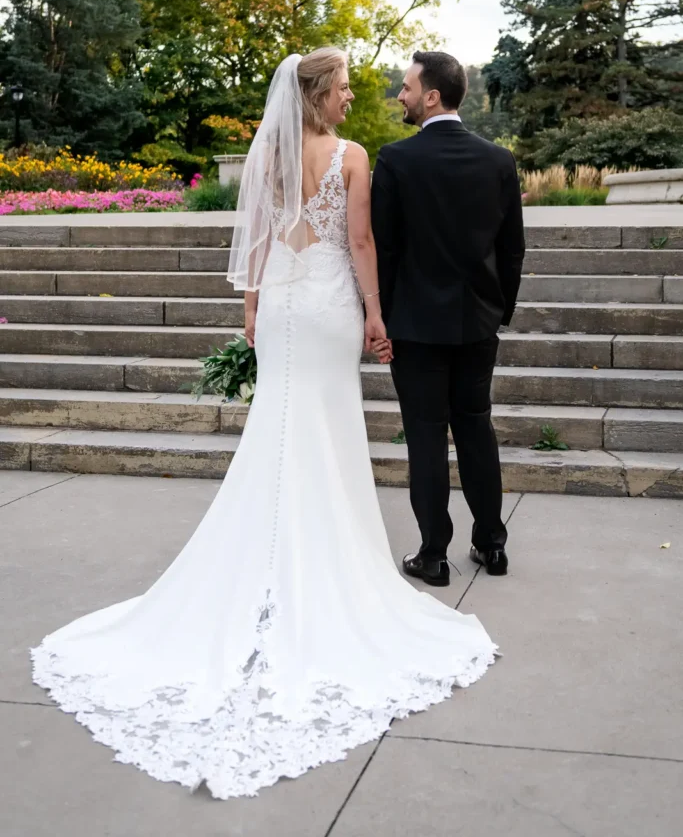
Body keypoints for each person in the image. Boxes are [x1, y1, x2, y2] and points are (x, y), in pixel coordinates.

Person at [31, 49, 497, 801]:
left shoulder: (268, 155)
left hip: (281, 309)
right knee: (323, 429)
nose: (353, 99)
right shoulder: (349, 157)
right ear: (318, 95)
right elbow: (360, 244)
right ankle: (321, 564)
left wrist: (251, 308)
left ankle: (265, 556)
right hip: (329, 311)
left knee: (279, 430)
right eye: (344, 89)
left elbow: (254, 241)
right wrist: (377, 317)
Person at [371, 51, 525, 587]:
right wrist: (497, 311)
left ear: (431, 95)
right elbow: (512, 252)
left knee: (426, 437)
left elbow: (385, 251)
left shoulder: (395, 160)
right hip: (478, 322)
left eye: (408, 87)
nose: (402, 95)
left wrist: (383, 318)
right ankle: (492, 545)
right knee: (477, 428)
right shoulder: (499, 161)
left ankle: (433, 554)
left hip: (415, 326)